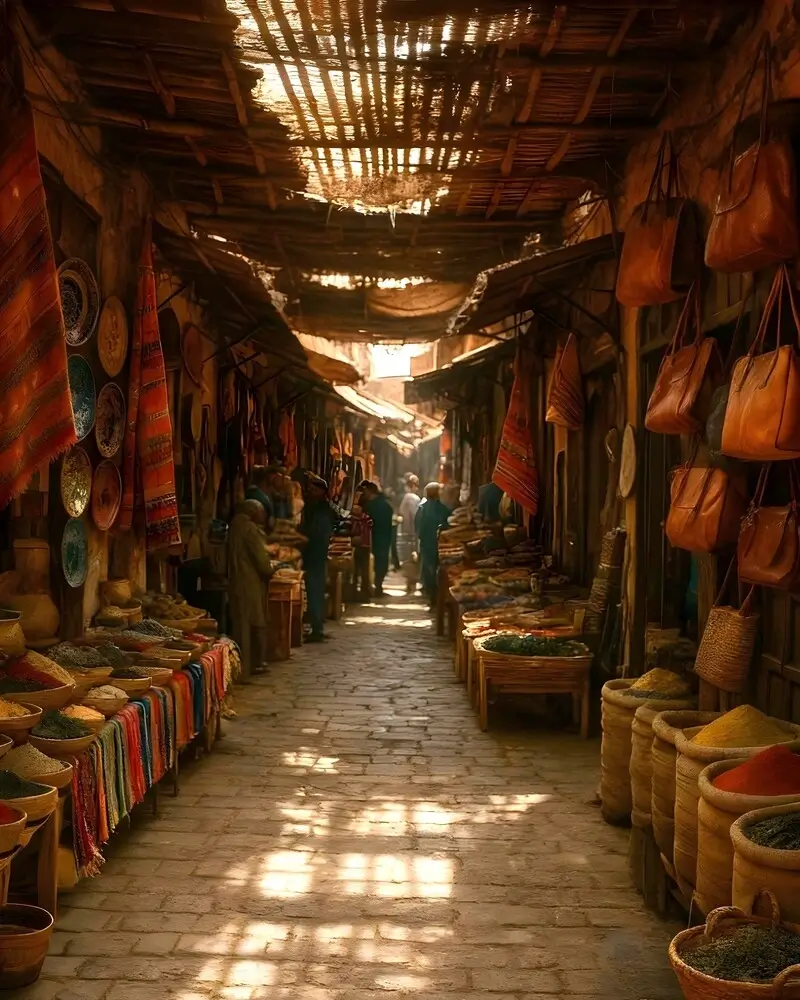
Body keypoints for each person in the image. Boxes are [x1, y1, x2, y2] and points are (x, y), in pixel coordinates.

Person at [227, 499, 275, 680]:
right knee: (253, 622)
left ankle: (241, 667)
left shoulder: (234, 526)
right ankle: (250, 667)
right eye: (261, 512)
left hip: (236, 580)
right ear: (253, 511)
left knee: (240, 623)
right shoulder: (250, 529)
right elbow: (261, 562)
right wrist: (271, 569)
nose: (263, 515)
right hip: (249, 582)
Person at [299, 474, 338, 642]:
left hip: (315, 554)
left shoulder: (322, 510)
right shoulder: (315, 507)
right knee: (315, 590)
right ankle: (317, 627)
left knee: (315, 591)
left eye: (314, 489)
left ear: (321, 492)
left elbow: (318, 534)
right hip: (314, 554)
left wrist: (302, 539)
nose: (310, 491)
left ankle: (317, 629)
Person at [415, 482, 451, 607]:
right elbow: (448, 526)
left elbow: (418, 527)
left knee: (429, 571)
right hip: (442, 545)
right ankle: (441, 597)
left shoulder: (422, 508)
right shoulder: (443, 509)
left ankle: (432, 598)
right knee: (441, 571)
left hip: (426, 544)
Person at [360, 481, 394, 598]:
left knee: (369, 564)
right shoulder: (386, 504)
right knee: (381, 563)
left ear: (370, 491)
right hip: (384, 538)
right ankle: (378, 587)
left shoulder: (369, 506)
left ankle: (368, 589)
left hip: (371, 538)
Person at [398, 476, 421, 561]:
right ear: (414, 486)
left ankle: (407, 559)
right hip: (413, 526)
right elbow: (416, 514)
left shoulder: (405, 497)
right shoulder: (415, 498)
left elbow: (401, 511)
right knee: (413, 543)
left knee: (407, 544)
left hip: (405, 526)